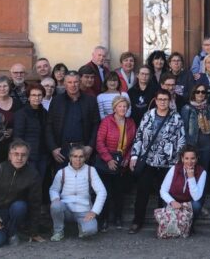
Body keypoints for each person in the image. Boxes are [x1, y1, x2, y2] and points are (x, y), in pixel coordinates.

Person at [128, 88, 186, 234]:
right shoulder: (148, 115)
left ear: (169, 101)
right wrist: (134, 156)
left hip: (168, 162)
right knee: (143, 192)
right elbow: (139, 136)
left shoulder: (176, 117)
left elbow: (181, 140)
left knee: (166, 194)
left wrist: (179, 161)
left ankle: (165, 222)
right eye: (160, 99)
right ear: (155, 100)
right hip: (148, 161)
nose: (162, 102)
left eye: (165, 100)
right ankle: (137, 221)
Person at [0, 140, 45, 248]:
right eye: (16, 154)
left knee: (20, 206)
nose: (19, 158)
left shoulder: (33, 175)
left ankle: (12, 232)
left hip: (17, 212)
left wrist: (33, 231)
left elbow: (35, 203)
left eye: (23, 155)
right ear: (10, 155)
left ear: (27, 157)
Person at [49, 145, 107, 241]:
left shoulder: (91, 171)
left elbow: (102, 191)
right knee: (55, 206)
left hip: (84, 210)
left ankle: (82, 227)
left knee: (91, 230)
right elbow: (53, 189)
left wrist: (94, 211)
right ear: (70, 157)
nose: (78, 160)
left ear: (85, 158)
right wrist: (55, 199)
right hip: (66, 208)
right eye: (75, 156)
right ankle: (58, 231)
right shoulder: (62, 172)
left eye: (81, 157)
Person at [95, 96, 136, 230]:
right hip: (106, 161)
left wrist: (127, 158)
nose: (123, 108)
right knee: (105, 192)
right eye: (120, 106)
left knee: (119, 192)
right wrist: (108, 159)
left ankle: (118, 218)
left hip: (121, 162)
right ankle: (104, 219)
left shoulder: (130, 123)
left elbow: (133, 144)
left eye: (125, 106)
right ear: (114, 108)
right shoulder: (107, 121)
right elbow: (99, 142)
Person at [45, 71, 100, 168]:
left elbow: (96, 124)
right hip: (62, 150)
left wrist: (90, 146)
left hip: (83, 149)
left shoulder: (90, 100)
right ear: (65, 84)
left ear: (80, 82)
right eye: (69, 82)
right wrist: (53, 148)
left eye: (76, 82)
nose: (73, 85)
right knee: (63, 181)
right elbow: (49, 125)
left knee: (83, 181)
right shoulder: (57, 101)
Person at [160, 145, 208, 235]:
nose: (189, 162)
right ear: (182, 159)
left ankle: (190, 225)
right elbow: (163, 190)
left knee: (197, 205)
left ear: (197, 159)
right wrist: (172, 201)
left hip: (189, 202)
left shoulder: (202, 172)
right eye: (186, 158)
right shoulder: (174, 169)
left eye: (192, 158)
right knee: (165, 200)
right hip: (174, 199)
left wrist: (191, 177)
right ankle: (170, 225)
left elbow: (196, 196)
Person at [13, 84, 49, 179]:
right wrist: (21, 155)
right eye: (33, 95)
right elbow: (18, 137)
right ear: (28, 97)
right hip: (28, 156)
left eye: (39, 95)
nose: (36, 98)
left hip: (43, 154)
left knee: (39, 182)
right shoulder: (21, 114)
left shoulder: (45, 113)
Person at [180, 83, 210, 170]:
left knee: (203, 171)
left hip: (206, 144)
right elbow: (183, 128)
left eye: (203, 92)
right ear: (194, 93)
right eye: (198, 91)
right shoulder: (186, 108)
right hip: (191, 144)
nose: (200, 94)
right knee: (190, 170)